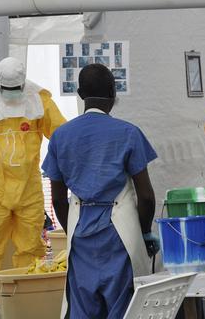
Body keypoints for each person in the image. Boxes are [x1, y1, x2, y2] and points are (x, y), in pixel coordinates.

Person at [42, 63, 159, 318]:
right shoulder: (128, 133)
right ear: (114, 94)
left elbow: (59, 200)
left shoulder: (61, 136)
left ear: (80, 93)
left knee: (83, 309)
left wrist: (73, 227)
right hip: (120, 235)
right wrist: (145, 232)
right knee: (124, 308)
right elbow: (147, 197)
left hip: (81, 234)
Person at [0, 57, 66, 311]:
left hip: (29, 191)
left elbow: (62, 135)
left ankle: (28, 304)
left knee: (30, 248)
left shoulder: (40, 103)